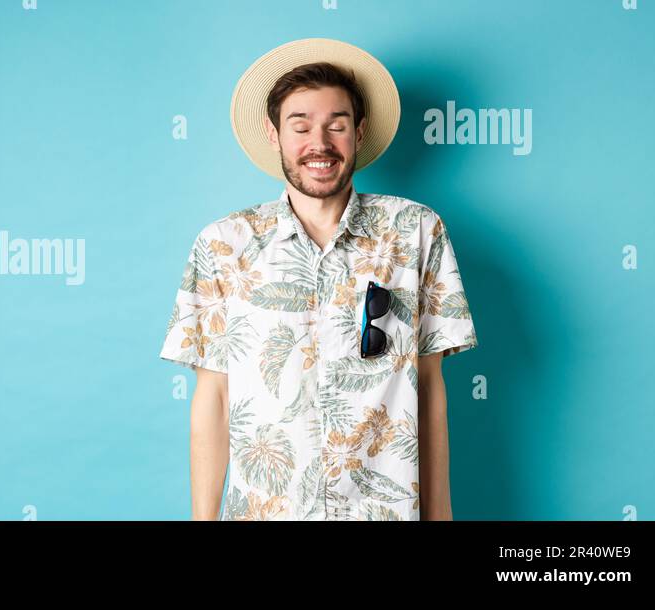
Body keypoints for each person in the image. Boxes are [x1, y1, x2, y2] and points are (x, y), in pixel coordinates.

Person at [159, 38, 478, 521]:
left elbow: (429, 388)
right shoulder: (223, 244)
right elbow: (213, 397)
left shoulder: (416, 231)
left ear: (359, 132)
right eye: (301, 126)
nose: (320, 144)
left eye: (337, 125)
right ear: (275, 135)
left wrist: (442, 516)